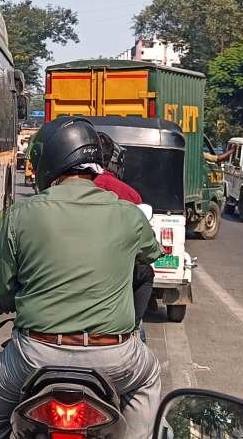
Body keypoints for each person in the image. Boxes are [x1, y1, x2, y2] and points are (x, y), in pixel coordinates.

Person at [0, 117, 163, 439]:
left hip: (36, 353)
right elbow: (151, 255)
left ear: (49, 162)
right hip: (115, 357)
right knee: (148, 379)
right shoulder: (128, 213)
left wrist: (10, 301)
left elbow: (0, 283)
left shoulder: (23, 214)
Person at [92, 132, 152, 336]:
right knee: (145, 272)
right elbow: (147, 249)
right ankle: (132, 330)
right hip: (115, 276)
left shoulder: (52, 191)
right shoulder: (129, 195)